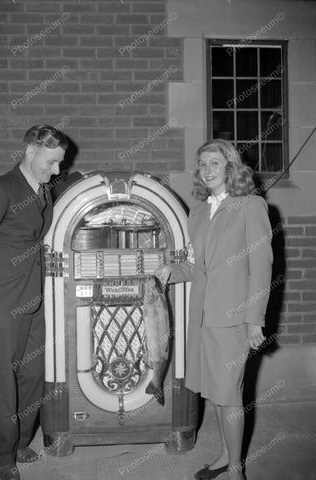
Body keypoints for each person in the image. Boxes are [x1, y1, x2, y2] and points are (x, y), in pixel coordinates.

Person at [155, 139, 273, 480]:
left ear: (231, 168)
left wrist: (254, 321)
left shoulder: (250, 206)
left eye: (215, 164)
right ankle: (224, 456)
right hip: (202, 319)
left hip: (233, 319)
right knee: (217, 394)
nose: (207, 170)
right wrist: (169, 272)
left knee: (229, 394)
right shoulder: (198, 213)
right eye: (203, 164)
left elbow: (262, 267)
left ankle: (236, 470)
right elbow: (195, 266)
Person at [0, 125, 68, 480]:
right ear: (31, 151)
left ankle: (21, 441)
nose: (56, 171)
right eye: (51, 163)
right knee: (4, 377)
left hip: (31, 293)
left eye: (60, 164)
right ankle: (3, 456)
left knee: (34, 372)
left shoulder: (43, 188)